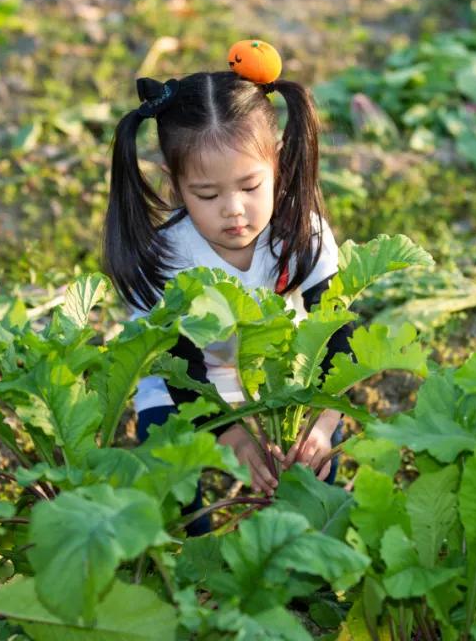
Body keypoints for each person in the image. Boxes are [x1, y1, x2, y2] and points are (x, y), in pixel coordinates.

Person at [102, 40, 353, 532]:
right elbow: (179, 371)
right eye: (207, 194)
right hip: (186, 386)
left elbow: (338, 339)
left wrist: (321, 426)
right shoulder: (169, 257)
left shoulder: (303, 234)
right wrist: (235, 437)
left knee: (317, 455)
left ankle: (309, 530)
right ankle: (189, 544)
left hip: (280, 379)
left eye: (250, 187)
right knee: (169, 462)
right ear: (175, 184)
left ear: (277, 163)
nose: (233, 210)